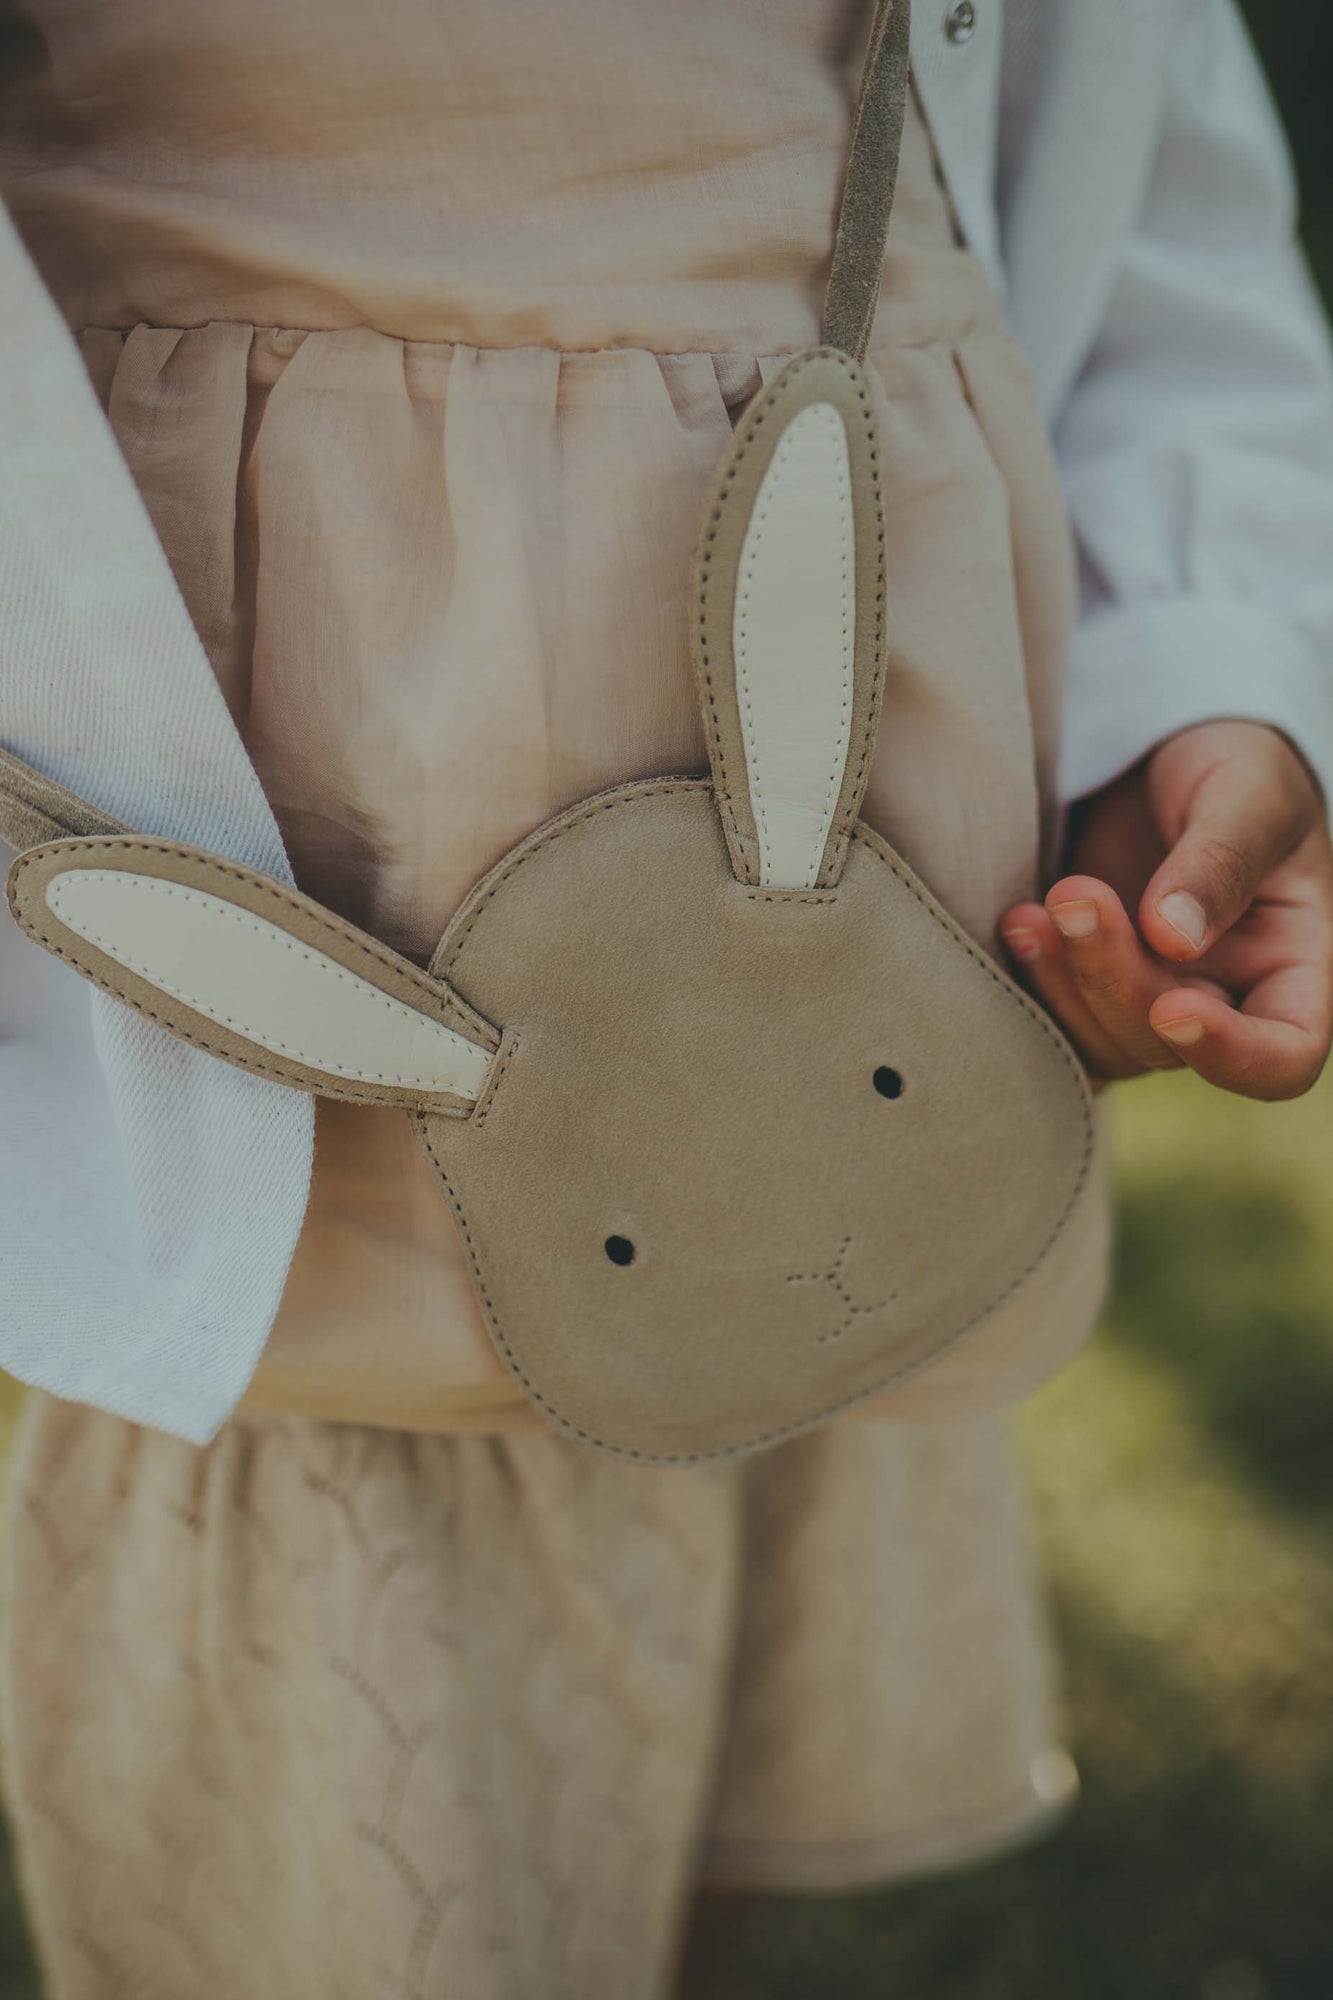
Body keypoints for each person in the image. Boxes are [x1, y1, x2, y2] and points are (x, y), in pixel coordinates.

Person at [0, 2, 1331, 1995]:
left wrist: (1196, 669)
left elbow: (1130, 135)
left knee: (806, 1389)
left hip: (874, 749)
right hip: (306, 740)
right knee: (363, 1801)